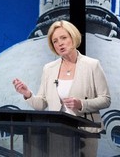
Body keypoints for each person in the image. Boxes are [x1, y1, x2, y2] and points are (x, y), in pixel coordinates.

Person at [13, 20, 111, 157]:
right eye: (55, 41)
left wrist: (81, 104)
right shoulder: (49, 69)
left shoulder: (92, 65)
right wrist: (27, 94)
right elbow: (41, 104)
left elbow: (105, 99)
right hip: (57, 132)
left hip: (86, 132)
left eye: (63, 38)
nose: (60, 43)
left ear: (73, 37)